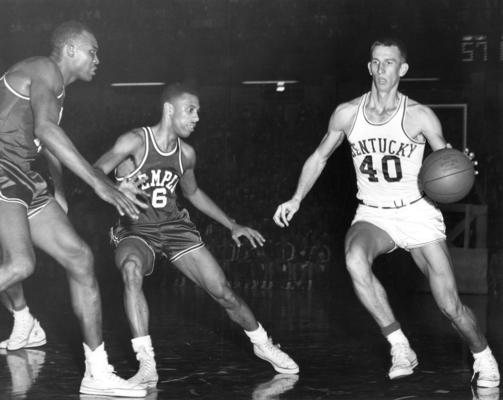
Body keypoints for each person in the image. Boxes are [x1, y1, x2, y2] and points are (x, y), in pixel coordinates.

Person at [273, 37, 499, 388]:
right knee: (354, 260)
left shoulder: (420, 115)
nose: (381, 69)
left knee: (449, 305)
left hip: (416, 212)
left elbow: (445, 159)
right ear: (369, 67)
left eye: (389, 62)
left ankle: (483, 357)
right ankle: (400, 345)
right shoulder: (347, 113)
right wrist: (296, 198)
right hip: (373, 214)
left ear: (402, 69)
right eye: (376, 62)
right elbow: (319, 157)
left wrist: (459, 166)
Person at [93, 82, 299, 388]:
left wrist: (233, 225)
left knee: (224, 292)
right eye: (191, 110)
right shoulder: (135, 141)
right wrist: (113, 188)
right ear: (169, 109)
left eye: (198, 111)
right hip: (137, 230)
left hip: (176, 228)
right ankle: (147, 363)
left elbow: (193, 193)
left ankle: (263, 343)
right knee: (131, 270)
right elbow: (95, 169)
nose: (197, 117)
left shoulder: (186, 154)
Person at [0, 20, 147, 397]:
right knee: (20, 264)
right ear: (69, 49)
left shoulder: (54, 87)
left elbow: (46, 142)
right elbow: (47, 130)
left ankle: (97, 372)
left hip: (19, 176)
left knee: (80, 257)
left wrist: (60, 190)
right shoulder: (45, 69)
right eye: (92, 50)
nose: (98, 58)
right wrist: (99, 181)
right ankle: (23, 321)